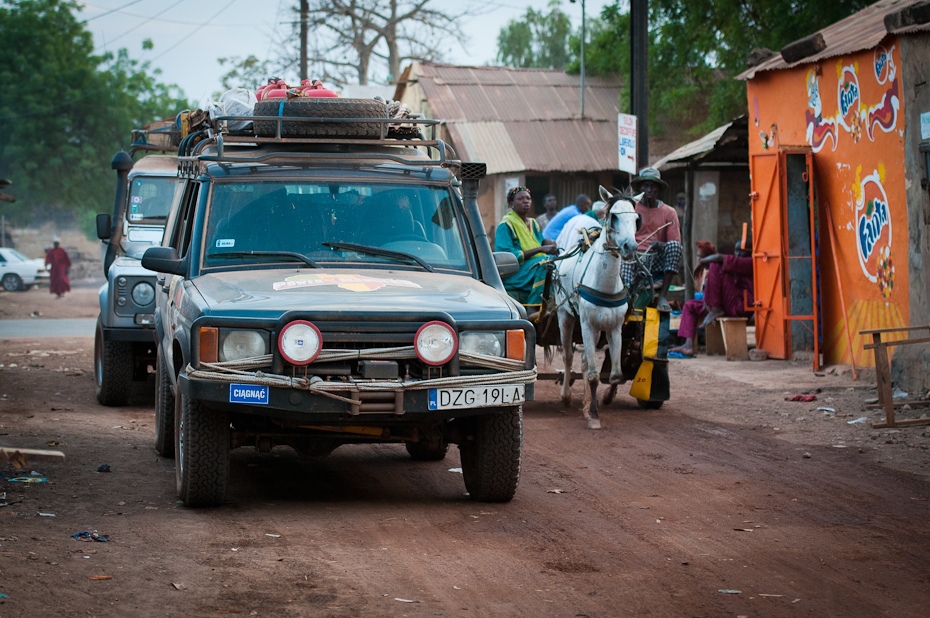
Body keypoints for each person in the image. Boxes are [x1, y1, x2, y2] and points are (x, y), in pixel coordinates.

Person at [670, 239, 754, 357]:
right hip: (725, 304)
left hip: (740, 306)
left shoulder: (750, 262)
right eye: (736, 251)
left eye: (742, 251)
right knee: (690, 305)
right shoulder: (725, 267)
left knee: (716, 265)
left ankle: (715, 309)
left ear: (750, 252)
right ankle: (688, 345)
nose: (738, 254)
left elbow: (721, 258)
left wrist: (702, 262)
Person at [620, 167, 682, 312]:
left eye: (653, 186)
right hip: (633, 257)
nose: (649, 190)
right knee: (625, 257)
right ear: (640, 188)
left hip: (655, 259)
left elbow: (675, 242)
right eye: (645, 186)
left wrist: (660, 244)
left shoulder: (669, 212)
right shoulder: (631, 208)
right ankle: (627, 298)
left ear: (658, 189)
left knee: (674, 246)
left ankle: (662, 297)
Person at [495, 186, 557, 306]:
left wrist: (547, 242)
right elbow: (506, 256)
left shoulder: (534, 223)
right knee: (544, 263)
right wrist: (540, 249)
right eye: (521, 199)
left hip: (532, 268)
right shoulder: (505, 225)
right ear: (511, 203)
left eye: (528, 198)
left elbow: (539, 241)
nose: (526, 201)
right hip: (516, 272)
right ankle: (534, 307)